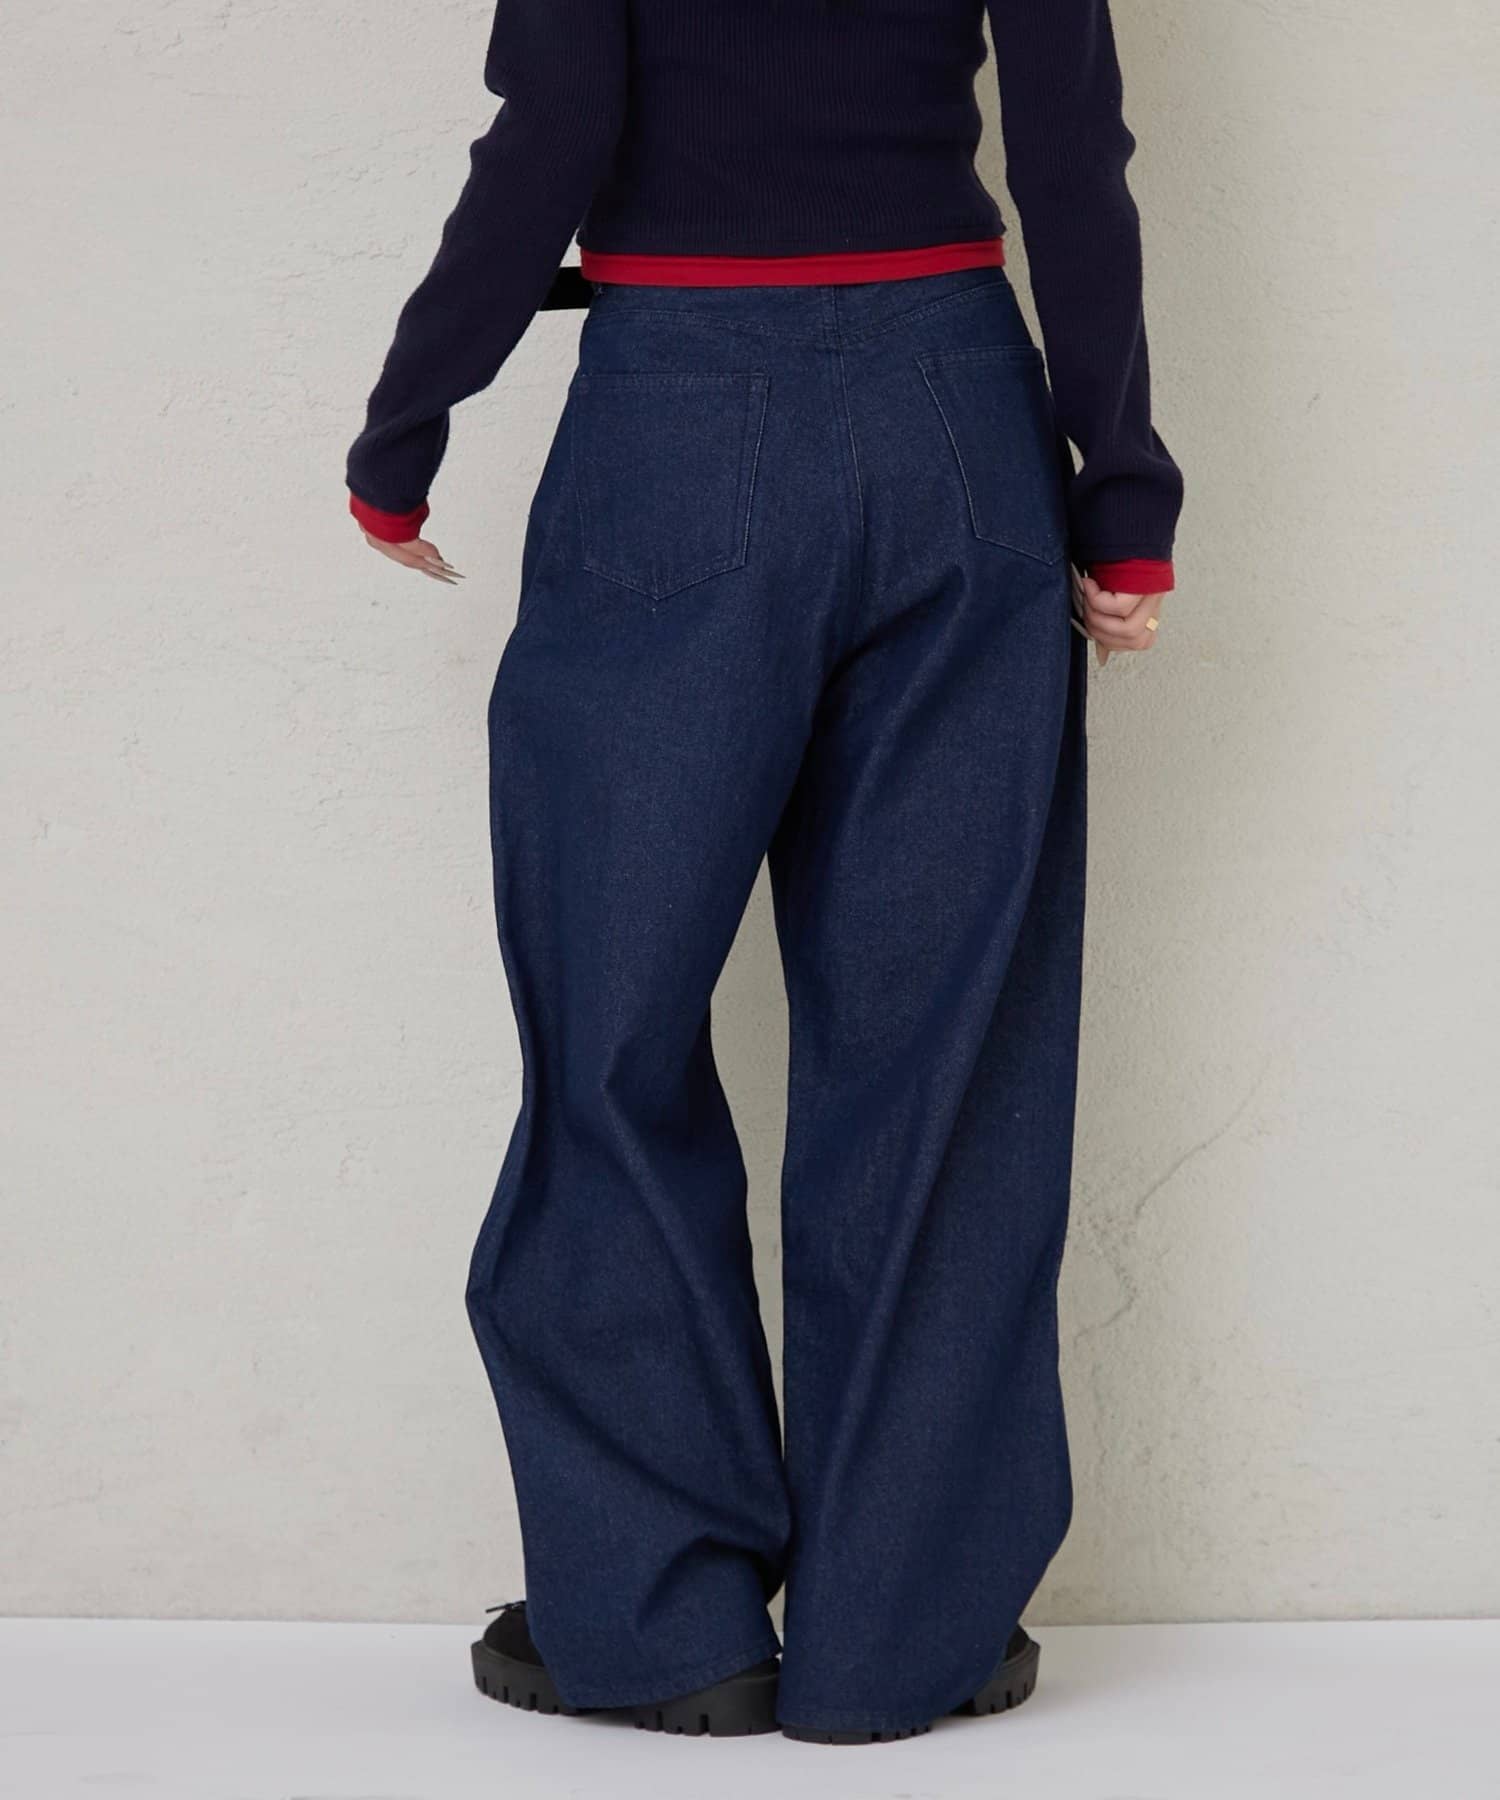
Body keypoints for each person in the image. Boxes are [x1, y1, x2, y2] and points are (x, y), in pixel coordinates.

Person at [346, 0, 1183, 1748]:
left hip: (677, 410)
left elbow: (553, 127)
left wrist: (409, 419)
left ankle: (659, 1618)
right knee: (944, 1054)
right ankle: (908, 1628)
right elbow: (1070, 147)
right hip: (960, 413)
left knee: (613, 1027)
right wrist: (1122, 492)